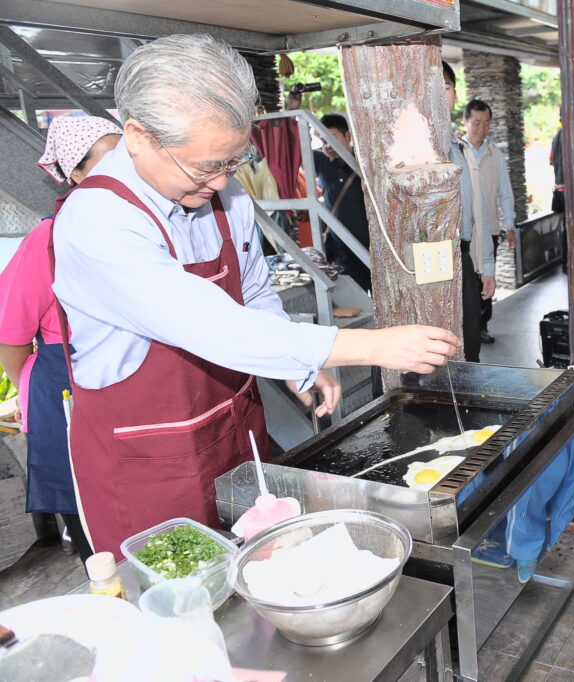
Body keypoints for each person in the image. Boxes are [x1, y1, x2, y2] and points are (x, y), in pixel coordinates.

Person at [50, 34, 458, 558]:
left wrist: (297, 363)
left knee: (260, 578)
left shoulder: (222, 190)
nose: (221, 183)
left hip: (234, 431)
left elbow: (253, 290)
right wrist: (371, 347)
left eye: (233, 161)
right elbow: (210, 325)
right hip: (145, 462)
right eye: (205, 167)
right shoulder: (97, 222)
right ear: (137, 136)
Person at [0, 115, 121, 564]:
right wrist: (38, 382)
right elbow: (10, 335)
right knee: (97, 533)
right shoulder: (47, 240)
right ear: (75, 174)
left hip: (126, 385)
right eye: (110, 161)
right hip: (66, 391)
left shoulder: (141, 229)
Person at [442, 62, 493, 362]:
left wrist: (486, 266)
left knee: (469, 347)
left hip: (462, 259)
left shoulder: (460, 149)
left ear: (455, 94)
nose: (440, 93)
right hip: (431, 267)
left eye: (446, 87)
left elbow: (479, 214)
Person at [461, 99, 514, 346]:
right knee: (467, 281)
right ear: (465, 122)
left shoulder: (496, 155)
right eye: (476, 122)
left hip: (489, 227)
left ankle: (481, 325)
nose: (482, 127)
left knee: (486, 277)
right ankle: (466, 326)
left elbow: (505, 193)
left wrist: (510, 224)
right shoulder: (458, 152)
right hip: (465, 232)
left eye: (486, 122)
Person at [312, 113, 371, 292]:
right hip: (341, 253)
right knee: (354, 306)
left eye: (332, 137)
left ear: (348, 136)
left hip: (370, 249)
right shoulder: (322, 163)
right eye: (323, 140)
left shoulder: (365, 163)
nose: (327, 145)